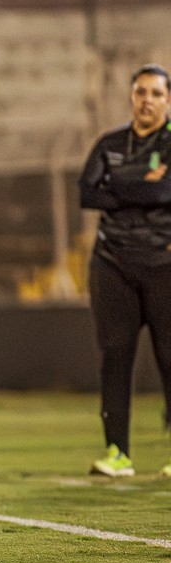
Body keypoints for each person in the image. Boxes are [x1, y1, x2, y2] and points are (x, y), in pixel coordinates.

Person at [78, 63, 171, 478]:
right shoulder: (110, 142)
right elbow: (86, 193)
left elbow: (165, 190)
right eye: (140, 92)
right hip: (112, 264)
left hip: (165, 265)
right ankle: (118, 452)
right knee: (115, 356)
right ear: (131, 96)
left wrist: (118, 185)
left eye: (155, 93)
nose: (147, 100)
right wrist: (144, 186)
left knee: (170, 357)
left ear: (167, 100)